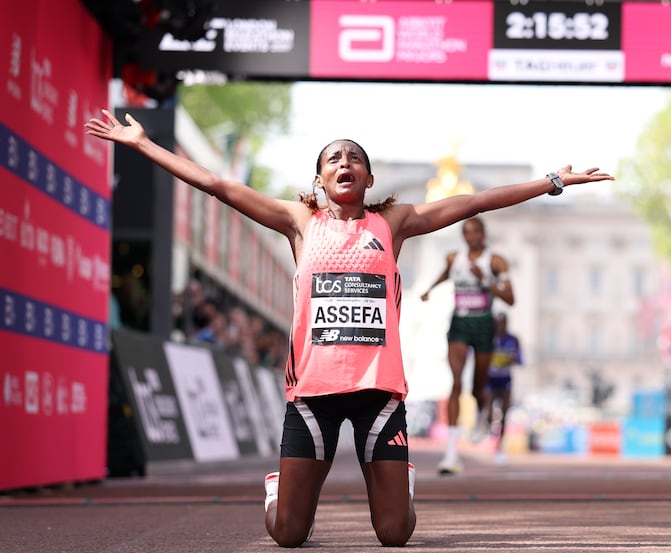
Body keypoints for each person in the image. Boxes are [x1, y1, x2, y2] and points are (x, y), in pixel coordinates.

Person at [85, 109, 613, 547]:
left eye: (355, 158)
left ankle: (398, 483)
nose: (345, 163)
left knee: (394, 535)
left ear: (368, 179)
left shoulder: (395, 222)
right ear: (319, 179)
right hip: (312, 394)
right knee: (288, 535)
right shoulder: (298, 221)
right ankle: (282, 489)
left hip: (378, 394)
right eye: (334, 158)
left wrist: (554, 181)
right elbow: (219, 185)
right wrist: (143, 145)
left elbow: (473, 202)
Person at [420, 216, 513, 475]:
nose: (471, 237)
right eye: (467, 233)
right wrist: (430, 289)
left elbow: (511, 297)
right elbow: (445, 274)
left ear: (483, 234)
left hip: (484, 326)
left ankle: (483, 412)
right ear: (463, 236)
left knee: (477, 387)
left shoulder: (495, 261)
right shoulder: (454, 258)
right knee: (456, 382)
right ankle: (450, 454)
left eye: (475, 232)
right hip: (460, 323)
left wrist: (486, 280)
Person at [483, 312, 523, 466]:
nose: (500, 326)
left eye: (503, 323)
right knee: (489, 409)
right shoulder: (488, 340)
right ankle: (488, 426)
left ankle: (500, 445)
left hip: (505, 379)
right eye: (498, 323)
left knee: (505, 412)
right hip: (490, 379)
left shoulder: (513, 340)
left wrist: (511, 360)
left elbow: (520, 359)